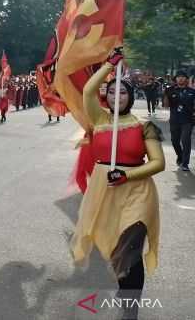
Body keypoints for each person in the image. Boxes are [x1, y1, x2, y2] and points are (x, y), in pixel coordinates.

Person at [71, 49, 163, 320]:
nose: (116, 97)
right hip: (104, 193)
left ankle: (130, 311)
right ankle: (126, 294)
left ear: (131, 96)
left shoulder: (144, 126)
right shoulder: (99, 120)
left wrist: (126, 175)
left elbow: (158, 163)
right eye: (112, 92)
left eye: (122, 92)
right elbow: (88, 91)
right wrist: (110, 65)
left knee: (130, 249)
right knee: (116, 252)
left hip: (137, 192)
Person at [163, 69, 195, 172]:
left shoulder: (192, 92)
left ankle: (185, 163)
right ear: (176, 79)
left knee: (186, 141)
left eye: (183, 77)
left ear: (186, 79)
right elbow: (165, 105)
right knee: (175, 141)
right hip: (174, 120)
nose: (180, 78)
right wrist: (166, 94)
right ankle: (180, 156)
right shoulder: (171, 90)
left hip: (187, 121)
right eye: (178, 77)